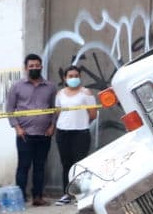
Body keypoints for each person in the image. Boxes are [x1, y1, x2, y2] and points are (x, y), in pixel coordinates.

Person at [6, 54, 57, 206]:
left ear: (41, 66)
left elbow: (55, 108)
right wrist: (17, 128)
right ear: (26, 68)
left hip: (44, 134)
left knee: (40, 167)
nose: (34, 68)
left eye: (37, 65)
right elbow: (9, 109)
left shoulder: (50, 87)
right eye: (31, 66)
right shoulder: (17, 86)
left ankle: (38, 197)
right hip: (24, 134)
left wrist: (52, 126)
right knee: (23, 166)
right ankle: (20, 198)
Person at [53, 65, 96, 205]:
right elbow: (58, 112)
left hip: (81, 132)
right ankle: (67, 194)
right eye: (70, 76)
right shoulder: (60, 94)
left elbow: (93, 114)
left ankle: (81, 195)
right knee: (66, 164)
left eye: (76, 76)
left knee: (80, 164)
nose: (73, 78)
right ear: (65, 78)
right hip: (63, 132)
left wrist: (81, 122)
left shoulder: (86, 93)